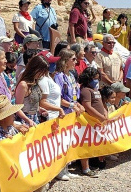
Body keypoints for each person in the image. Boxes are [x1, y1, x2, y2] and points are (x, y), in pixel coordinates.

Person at [0, 95, 28, 192]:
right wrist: (8, 145)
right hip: (1, 181)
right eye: (11, 114)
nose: (14, 115)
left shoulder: (12, 129)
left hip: (15, 175)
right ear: (3, 118)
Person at [54, 49, 84, 180]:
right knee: (62, 141)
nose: (76, 61)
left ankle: (66, 168)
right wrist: (72, 105)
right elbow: (58, 98)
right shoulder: (58, 77)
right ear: (65, 61)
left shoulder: (71, 75)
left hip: (72, 111)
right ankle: (60, 170)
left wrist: (77, 104)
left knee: (70, 141)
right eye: (73, 59)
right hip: (64, 112)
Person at [79, 67, 106, 177]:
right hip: (89, 121)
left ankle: (96, 161)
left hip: (98, 122)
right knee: (86, 144)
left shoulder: (95, 89)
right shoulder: (86, 90)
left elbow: (101, 104)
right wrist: (101, 117)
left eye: (98, 78)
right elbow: (88, 107)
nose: (97, 81)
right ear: (88, 78)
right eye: (95, 78)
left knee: (97, 142)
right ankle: (86, 168)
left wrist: (105, 114)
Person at [15, 55, 49, 126]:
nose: (42, 75)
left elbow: (30, 103)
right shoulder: (23, 85)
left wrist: (38, 109)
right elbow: (17, 108)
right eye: (41, 72)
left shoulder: (35, 82)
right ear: (34, 68)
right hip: (24, 121)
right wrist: (27, 120)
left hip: (34, 119)